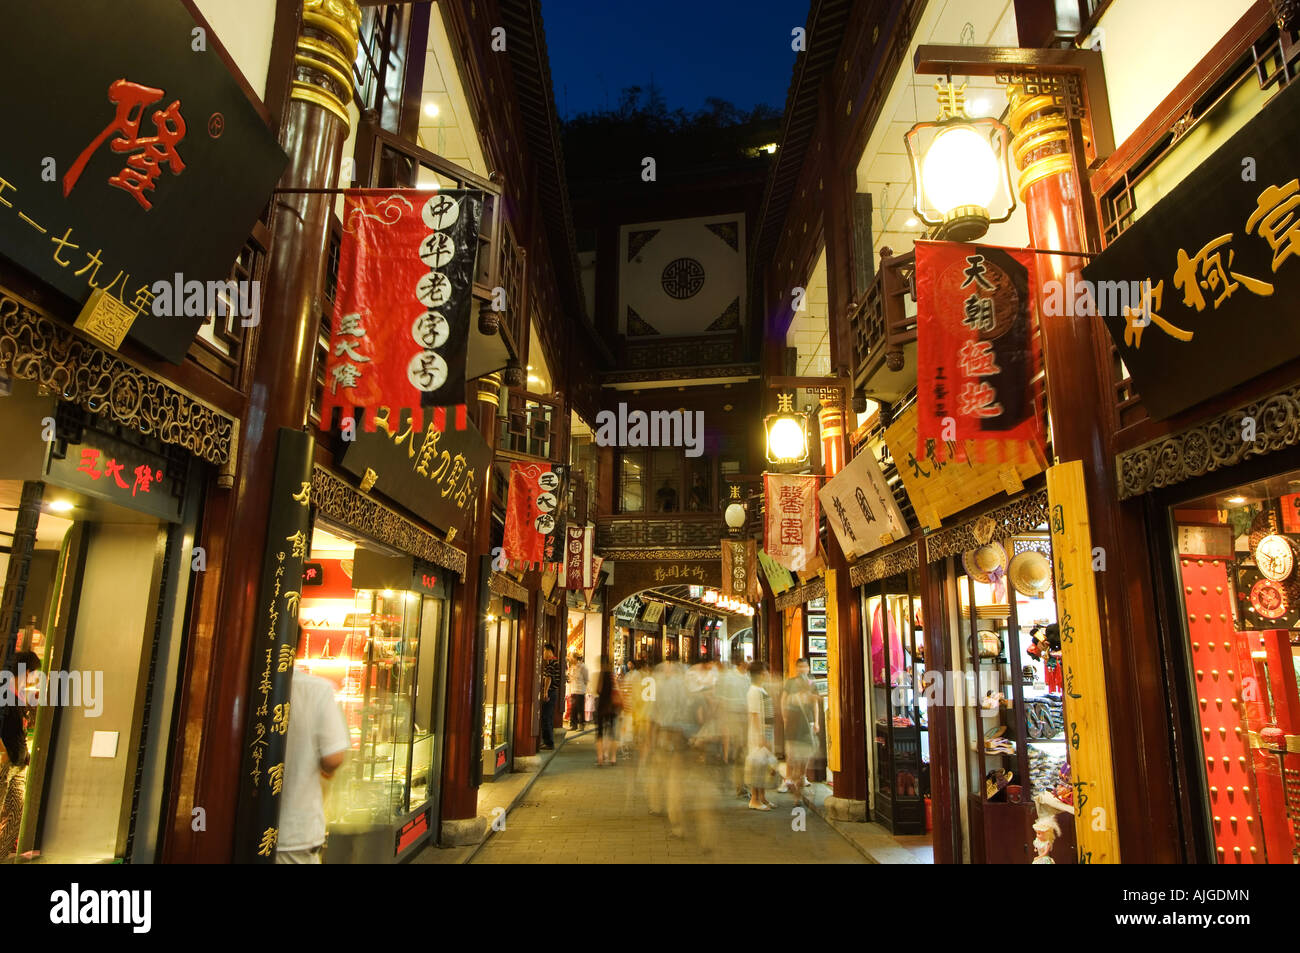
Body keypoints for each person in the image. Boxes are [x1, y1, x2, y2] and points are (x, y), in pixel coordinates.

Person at [277, 634, 350, 864]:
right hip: (296, 829)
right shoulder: (316, 690)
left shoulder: (242, 685)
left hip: (244, 829)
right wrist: (326, 771)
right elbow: (333, 757)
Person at [0, 650, 41, 858]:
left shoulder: (20, 696)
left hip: (17, 763)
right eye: (35, 673)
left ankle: (1, 852)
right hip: (4, 763)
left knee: (17, 811)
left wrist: (24, 756)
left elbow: (20, 731)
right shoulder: (4, 692)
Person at [782, 658, 820, 806]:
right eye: (800, 667)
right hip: (794, 728)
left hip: (805, 727)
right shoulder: (791, 685)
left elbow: (815, 704)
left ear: (808, 669)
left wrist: (816, 722)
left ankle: (797, 788)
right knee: (794, 757)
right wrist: (785, 717)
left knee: (803, 760)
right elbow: (784, 701)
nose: (802, 669)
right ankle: (793, 783)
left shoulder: (812, 685)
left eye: (805, 667)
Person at [744, 661, 776, 811]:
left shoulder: (761, 690)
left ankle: (762, 797)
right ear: (760, 674)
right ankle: (754, 799)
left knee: (762, 767)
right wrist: (761, 737)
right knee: (757, 767)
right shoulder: (754, 691)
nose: (768, 674)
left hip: (766, 732)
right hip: (758, 735)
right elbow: (755, 715)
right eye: (766, 672)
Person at [594, 667, 623, 765]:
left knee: (600, 733)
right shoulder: (612, 677)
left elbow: (597, 690)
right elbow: (618, 692)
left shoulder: (600, 676)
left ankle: (600, 758)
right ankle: (613, 758)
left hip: (601, 707)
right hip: (612, 708)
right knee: (612, 733)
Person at [539, 642, 560, 750]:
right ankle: (549, 741)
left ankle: (548, 742)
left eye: (544, 651)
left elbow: (549, 678)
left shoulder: (552, 662)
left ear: (548, 651)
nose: (543, 653)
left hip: (550, 692)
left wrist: (545, 691)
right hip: (553, 692)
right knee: (549, 717)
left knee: (546, 717)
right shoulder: (555, 661)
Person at [567, 653, 589, 730]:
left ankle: (581, 724)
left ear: (575, 658)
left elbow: (586, 679)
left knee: (580, 708)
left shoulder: (583, 667)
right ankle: (573, 725)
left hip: (580, 691)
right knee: (573, 709)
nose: (569, 659)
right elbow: (570, 678)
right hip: (573, 690)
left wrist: (585, 688)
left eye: (571, 658)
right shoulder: (572, 667)